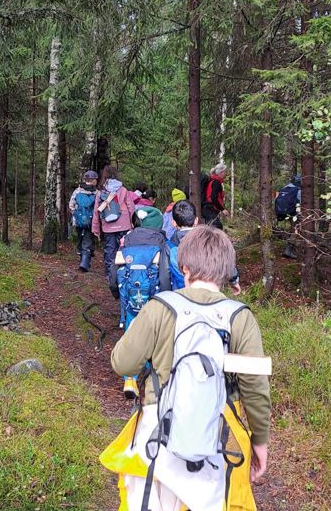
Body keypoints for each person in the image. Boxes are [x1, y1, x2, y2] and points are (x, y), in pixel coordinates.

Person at [102, 226, 271, 511]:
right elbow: (255, 389)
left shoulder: (161, 308)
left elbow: (120, 362)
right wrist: (260, 443)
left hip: (157, 443)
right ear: (226, 270)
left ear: (185, 266)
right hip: (214, 448)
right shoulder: (241, 319)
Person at [109, 205, 171, 398]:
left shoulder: (126, 241)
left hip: (130, 296)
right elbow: (165, 273)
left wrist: (115, 292)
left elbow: (114, 270)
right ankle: (155, 375)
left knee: (132, 332)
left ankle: (130, 379)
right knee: (157, 333)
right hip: (155, 297)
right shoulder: (162, 243)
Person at [168, 199, 240, 294]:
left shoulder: (168, 246)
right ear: (196, 220)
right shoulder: (207, 240)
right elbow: (223, 258)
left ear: (173, 223)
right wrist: (234, 281)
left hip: (178, 296)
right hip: (209, 293)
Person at [92, 166, 135, 280]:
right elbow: (131, 208)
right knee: (124, 248)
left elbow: (97, 211)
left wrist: (95, 228)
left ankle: (110, 275)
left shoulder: (101, 192)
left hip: (108, 226)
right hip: (124, 224)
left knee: (110, 250)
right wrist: (133, 223)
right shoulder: (123, 190)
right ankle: (125, 271)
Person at [68, 170, 99, 272]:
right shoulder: (97, 193)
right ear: (93, 180)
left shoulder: (77, 191)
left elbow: (71, 205)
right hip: (91, 222)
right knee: (88, 240)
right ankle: (85, 264)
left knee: (80, 239)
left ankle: (83, 260)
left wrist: (76, 215)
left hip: (78, 221)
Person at [274, 174, 301, 260]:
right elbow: (301, 202)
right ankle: (288, 249)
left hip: (284, 212)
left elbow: (276, 199)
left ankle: (290, 249)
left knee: (292, 229)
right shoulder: (298, 190)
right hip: (294, 213)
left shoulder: (285, 188)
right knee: (296, 230)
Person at [201, 163, 227, 228]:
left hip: (208, 209)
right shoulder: (216, 182)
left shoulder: (212, 180)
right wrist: (223, 209)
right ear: (221, 172)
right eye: (224, 171)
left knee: (212, 228)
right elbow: (214, 198)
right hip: (210, 209)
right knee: (216, 227)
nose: (225, 173)